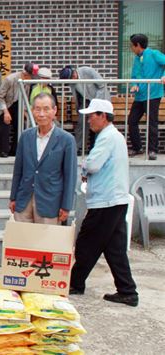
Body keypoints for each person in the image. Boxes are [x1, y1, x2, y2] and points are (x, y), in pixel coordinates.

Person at [70, 99, 138, 307]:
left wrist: (83, 167)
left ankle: (75, 282)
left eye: (92, 115)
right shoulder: (112, 136)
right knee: (114, 248)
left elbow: (93, 164)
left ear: (103, 116)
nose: (89, 119)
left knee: (86, 241)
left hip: (105, 201)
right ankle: (127, 290)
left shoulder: (107, 137)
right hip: (114, 199)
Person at [9, 93, 77, 225]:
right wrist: (13, 197)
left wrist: (66, 205)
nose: (41, 114)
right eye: (37, 109)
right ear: (32, 111)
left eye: (46, 109)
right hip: (24, 200)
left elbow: (70, 176)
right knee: (23, 242)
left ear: (54, 110)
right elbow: (18, 170)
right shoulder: (25, 136)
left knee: (46, 244)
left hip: (50, 202)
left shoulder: (66, 140)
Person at [127, 33, 165, 160]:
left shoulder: (154, 54)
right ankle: (138, 148)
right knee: (132, 120)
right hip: (140, 96)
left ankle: (153, 151)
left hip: (153, 94)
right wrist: (134, 85)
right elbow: (134, 76)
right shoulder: (137, 58)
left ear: (138, 45)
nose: (131, 48)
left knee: (152, 122)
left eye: (132, 46)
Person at [0, 62, 39, 157]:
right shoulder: (10, 79)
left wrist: (24, 110)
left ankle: (15, 151)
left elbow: (25, 96)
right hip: (4, 104)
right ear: (25, 74)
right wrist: (6, 112)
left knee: (20, 125)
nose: (32, 79)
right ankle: (3, 152)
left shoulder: (27, 82)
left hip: (16, 104)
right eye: (31, 76)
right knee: (5, 124)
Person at [58, 65, 111, 153]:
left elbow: (102, 85)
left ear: (74, 75)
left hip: (100, 99)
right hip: (85, 101)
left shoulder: (87, 71)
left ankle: (97, 148)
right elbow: (77, 95)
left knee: (98, 123)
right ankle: (78, 147)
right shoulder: (72, 82)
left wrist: (96, 103)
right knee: (81, 122)